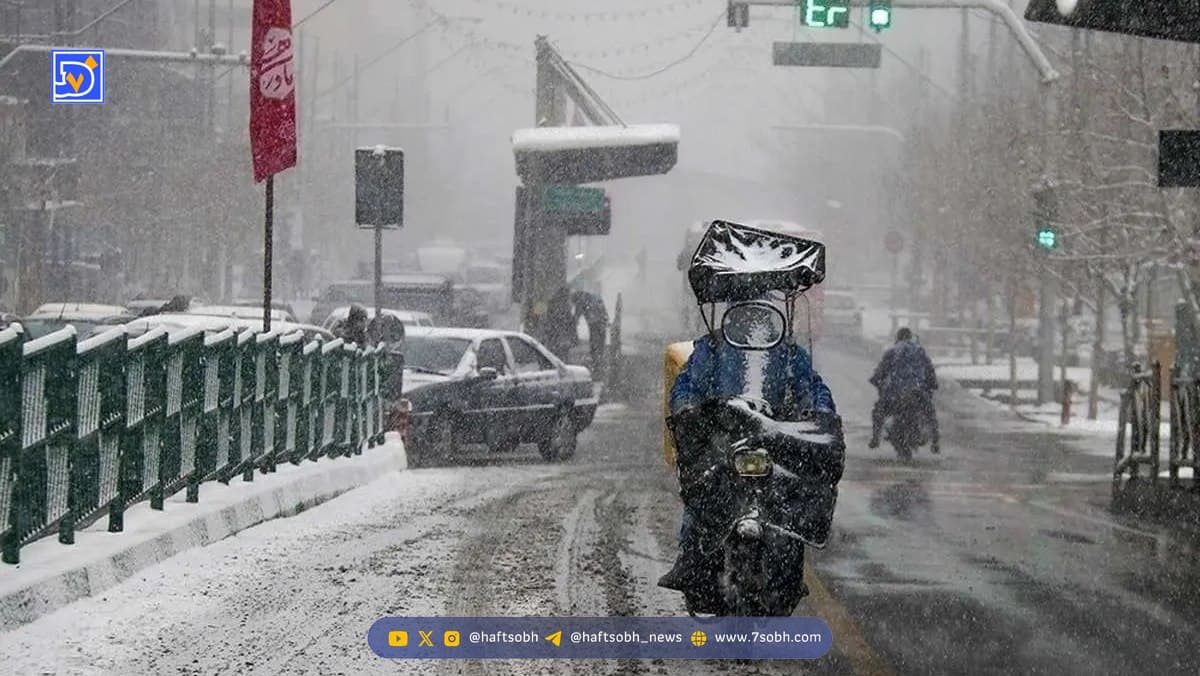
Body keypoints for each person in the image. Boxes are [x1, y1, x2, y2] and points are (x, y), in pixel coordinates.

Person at [657, 305, 839, 593]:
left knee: (794, 495)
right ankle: (691, 560)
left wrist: (820, 412)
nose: (751, 318)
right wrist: (687, 408)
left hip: (773, 436)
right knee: (701, 488)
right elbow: (687, 386)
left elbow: (812, 389)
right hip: (722, 435)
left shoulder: (787, 352)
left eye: (757, 311)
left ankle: (789, 568)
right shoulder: (712, 348)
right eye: (746, 311)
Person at [868, 327, 939, 453]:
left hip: (895, 393)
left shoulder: (892, 352)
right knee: (930, 413)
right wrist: (933, 384)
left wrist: (876, 380)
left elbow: (880, 373)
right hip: (918, 392)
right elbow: (930, 373)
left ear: (897, 338)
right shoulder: (920, 352)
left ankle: (875, 438)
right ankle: (935, 441)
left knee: (878, 411)